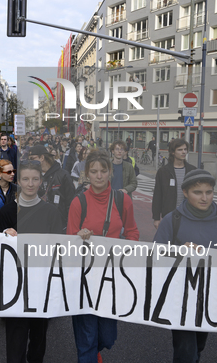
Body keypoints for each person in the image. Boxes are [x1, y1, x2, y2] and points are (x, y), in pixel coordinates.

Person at [154, 169, 217, 363]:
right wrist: (177, 252)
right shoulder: (171, 220)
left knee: (198, 347)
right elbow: (154, 261)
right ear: (185, 193)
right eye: (197, 192)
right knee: (186, 352)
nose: (204, 198)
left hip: (210, 299)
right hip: (179, 299)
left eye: (208, 192)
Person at [67, 150, 139, 363]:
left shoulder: (122, 200)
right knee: (87, 336)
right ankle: (88, 354)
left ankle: (94, 349)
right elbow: (70, 240)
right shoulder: (78, 202)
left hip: (112, 276)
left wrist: (128, 251)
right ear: (87, 174)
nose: (99, 176)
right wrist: (79, 237)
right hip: (85, 278)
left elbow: (132, 231)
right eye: (94, 171)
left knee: (108, 336)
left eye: (103, 171)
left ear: (110, 173)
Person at [0, 160, 64, 363]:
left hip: (41, 284)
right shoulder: (6, 212)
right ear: (19, 181)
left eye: (35, 179)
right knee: (16, 339)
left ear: (41, 181)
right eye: (25, 179)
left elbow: (58, 248)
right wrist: (3, 236)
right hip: (15, 285)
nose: (30, 184)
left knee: (38, 338)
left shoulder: (51, 212)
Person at [152, 138, 196, 229]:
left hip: (189, 214)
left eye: (185, 149)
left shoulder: (192, 170)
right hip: (170, 215)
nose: (183, 152)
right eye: (180, 150)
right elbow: (157, 195)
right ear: (172, 152)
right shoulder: (164, 171)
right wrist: (156, 218)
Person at [29, 145, 75, 230]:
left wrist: (69, 225)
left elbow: (71, 202)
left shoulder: (63, 175)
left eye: (32, 158)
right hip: (39, 225)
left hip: (60, 225)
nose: (30, 162)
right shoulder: (33, 176)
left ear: (42, 158)